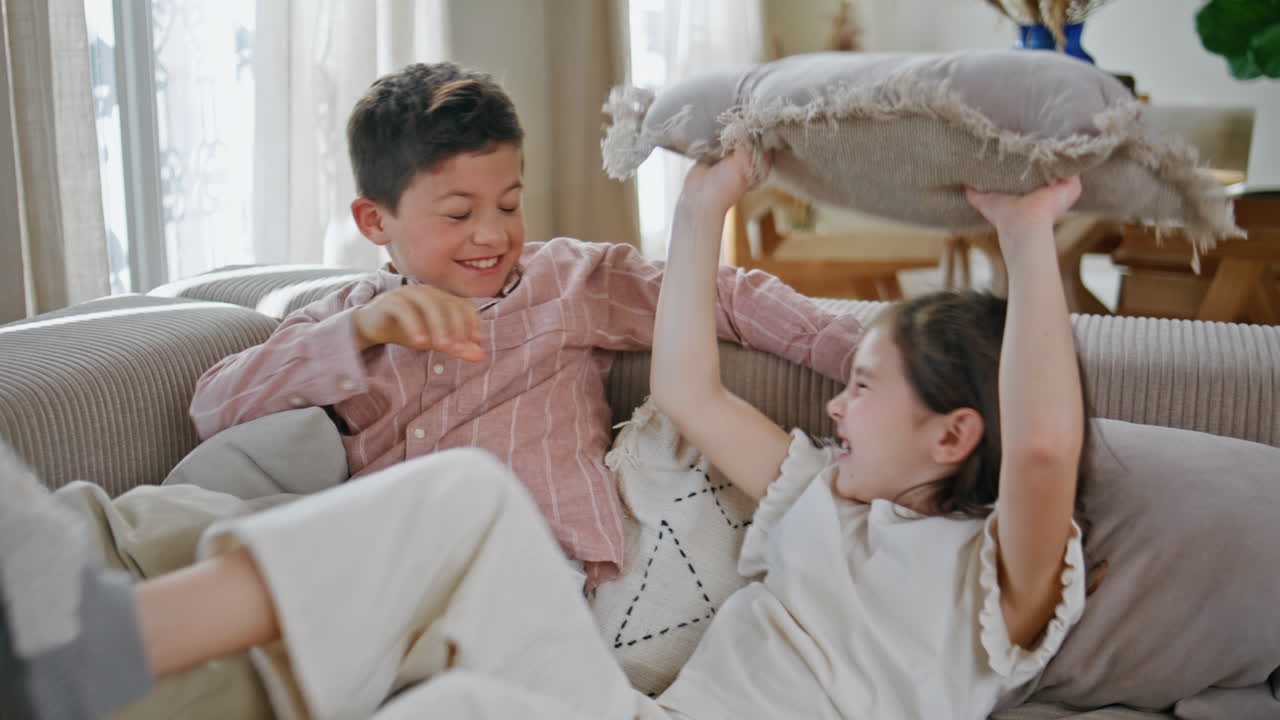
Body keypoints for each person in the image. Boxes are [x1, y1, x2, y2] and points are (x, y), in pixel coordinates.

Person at [2, 148, 1089, 720]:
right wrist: (700, 203)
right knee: (468, 509)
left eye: (860, 388)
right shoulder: (814, 498)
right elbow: (686, 388)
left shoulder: (994, 584)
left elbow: (1041, 449)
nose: (834, 407)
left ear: (953, 434)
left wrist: (1026, 239)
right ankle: (99, 648)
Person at [187, 61, 863, 590]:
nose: (492, 234)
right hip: (387, 566)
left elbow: (723, 298)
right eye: (457, 214)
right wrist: (360, 332)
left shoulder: (568, 282)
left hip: (539, 568)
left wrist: (866, 358)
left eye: (509, 205)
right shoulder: (345, 319)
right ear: (374, 222)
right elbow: (215, 405)